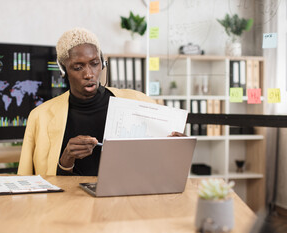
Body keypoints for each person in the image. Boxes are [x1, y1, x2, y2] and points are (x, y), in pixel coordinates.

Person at [17, 27, 182, 176]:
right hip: (69, 205)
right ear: (63, 70)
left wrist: (176, 150)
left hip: (125, 200)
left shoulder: (139, 101)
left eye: (94, 64)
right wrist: (66, 160)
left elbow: (160, 166)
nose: (89, 74)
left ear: (102, 63)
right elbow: (30, 185)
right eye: (78, 67)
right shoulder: (40, 116)